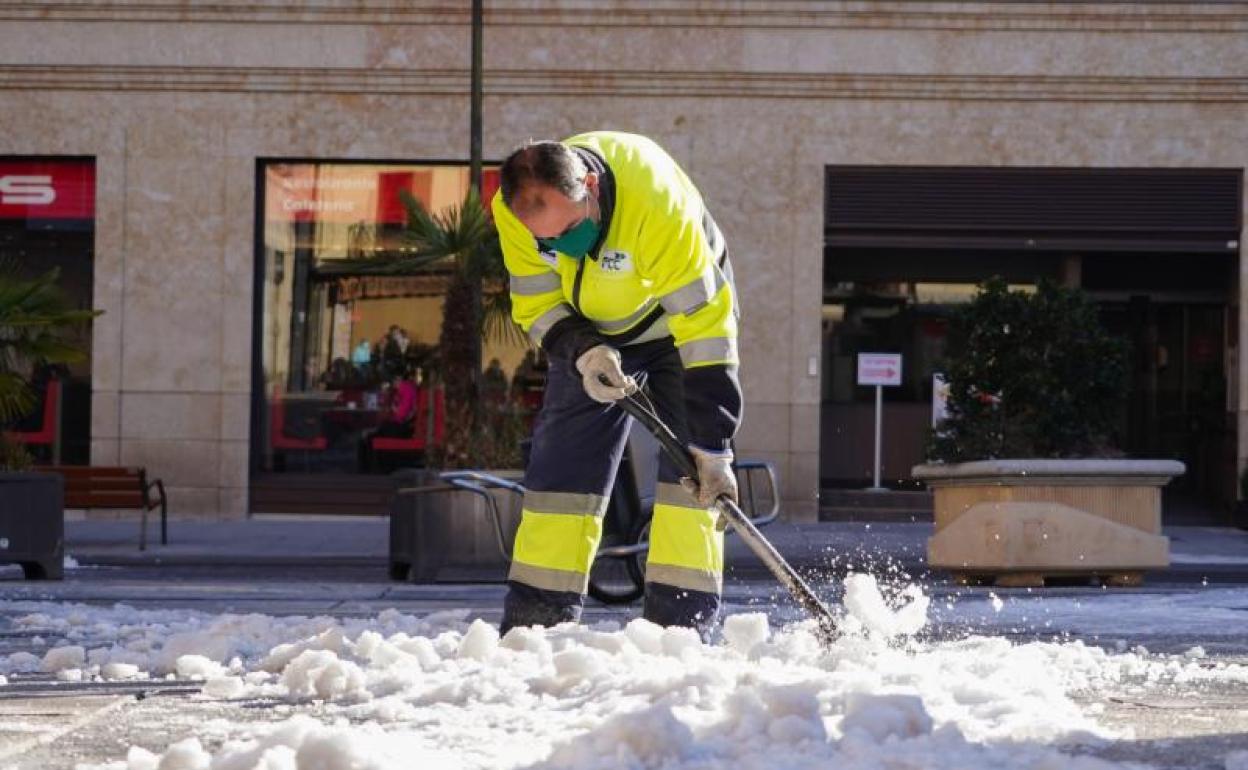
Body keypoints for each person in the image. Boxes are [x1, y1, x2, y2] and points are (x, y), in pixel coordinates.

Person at [492, 131, 742, 638]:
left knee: (689, 476)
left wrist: (713, 447)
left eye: (570, 230)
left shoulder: (653, 199)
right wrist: (584, 351)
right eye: (548, 242)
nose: (562, 247)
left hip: (675, 329)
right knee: (560, 470)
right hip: (593, 336)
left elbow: (704, 326)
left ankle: (679, 630)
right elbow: (536, 303)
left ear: (590, 185)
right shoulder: (512, 211)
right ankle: (536, 624)